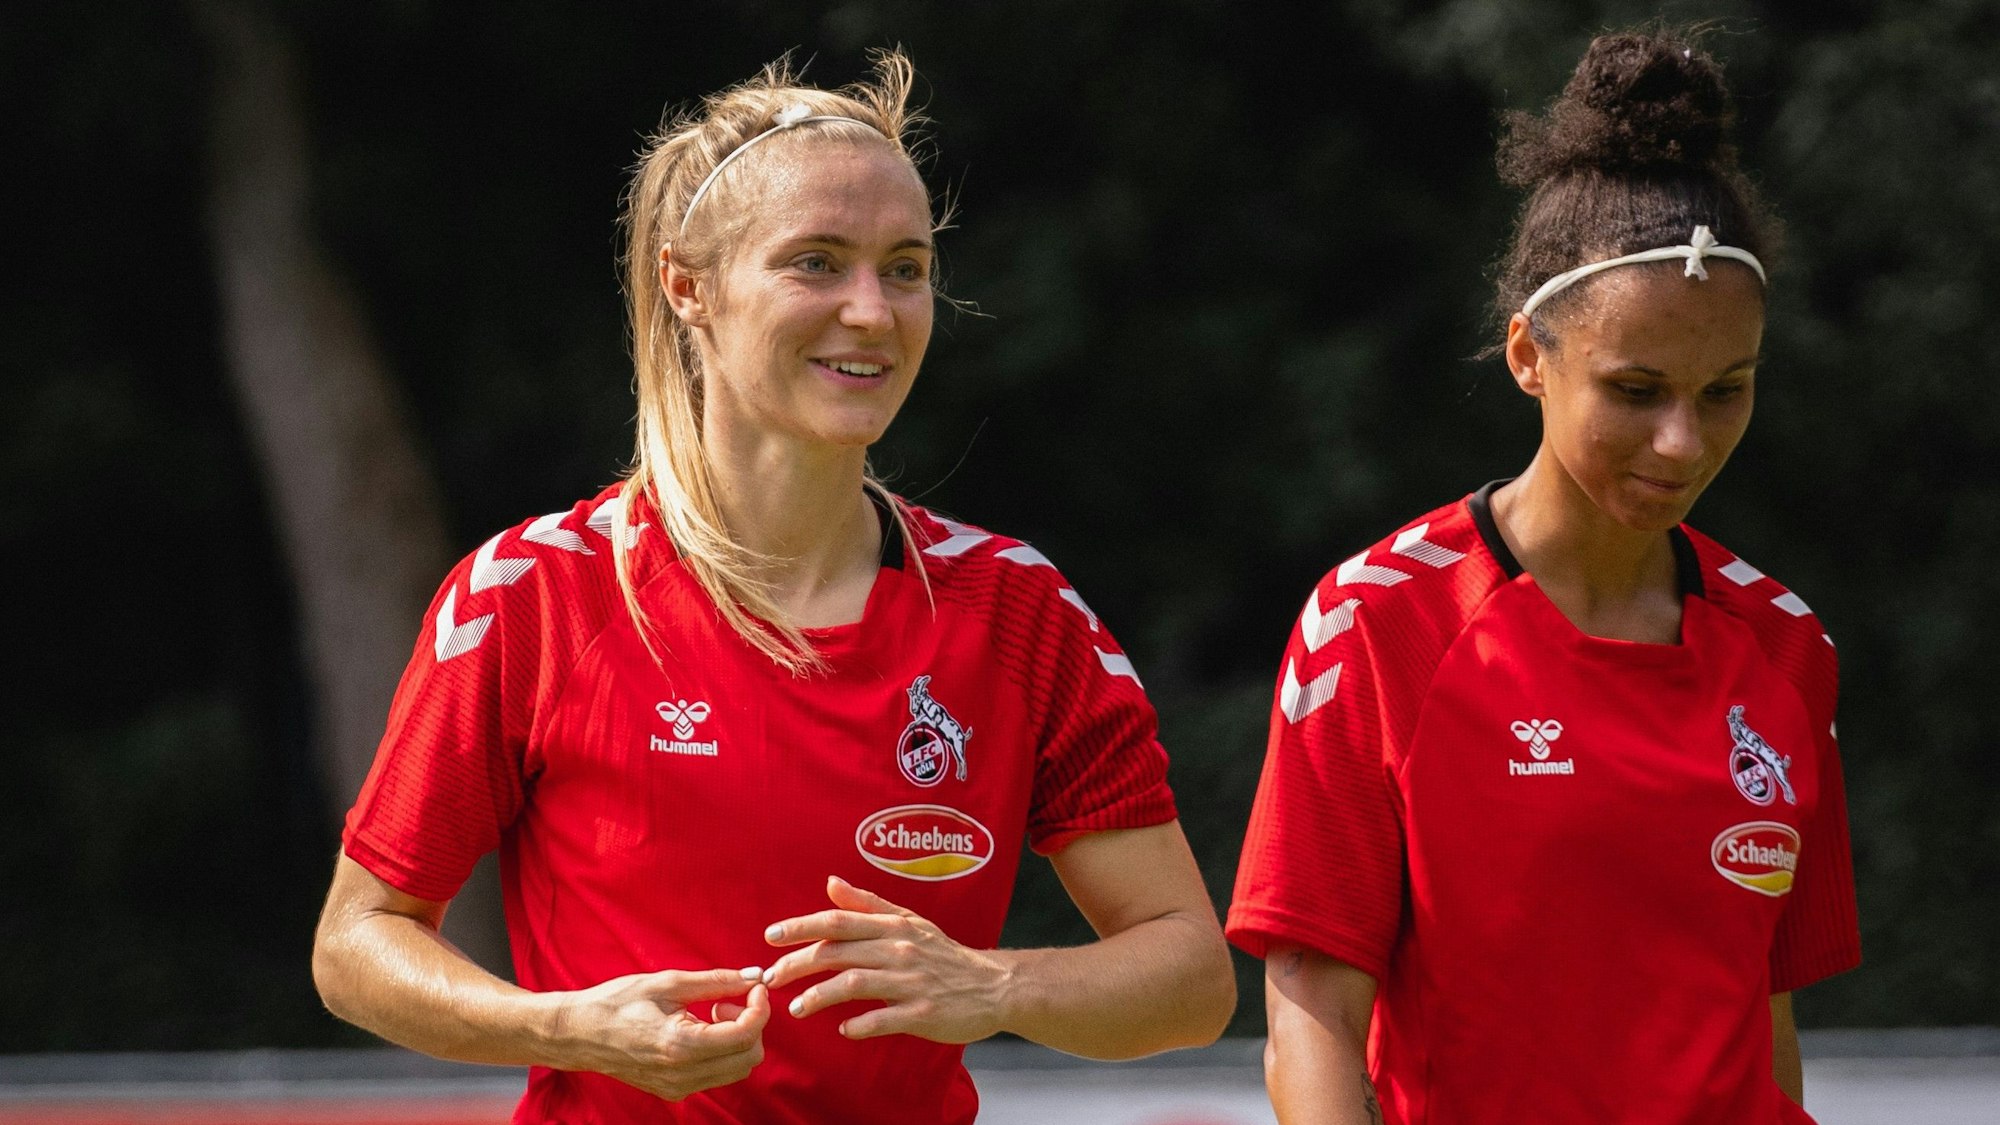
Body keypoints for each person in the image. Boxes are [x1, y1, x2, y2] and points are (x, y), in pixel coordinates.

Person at [311, 52, 1234, 1124]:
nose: (872, 311)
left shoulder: (1015, 610)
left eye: (904, 267)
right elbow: (357, 942)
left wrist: (992, 987)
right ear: (686, 286)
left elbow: (1188, 979)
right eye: (816, 262)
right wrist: (563, 1025)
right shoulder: (536, 594)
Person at [1227, 28, 1860, 1125]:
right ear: (1528, 355)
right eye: (1633, 389)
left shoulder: (1786, 644)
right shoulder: (1374, 624)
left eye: (1724, 391)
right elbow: (1312, 1009)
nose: (1680, 441)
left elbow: (1763, 1020)